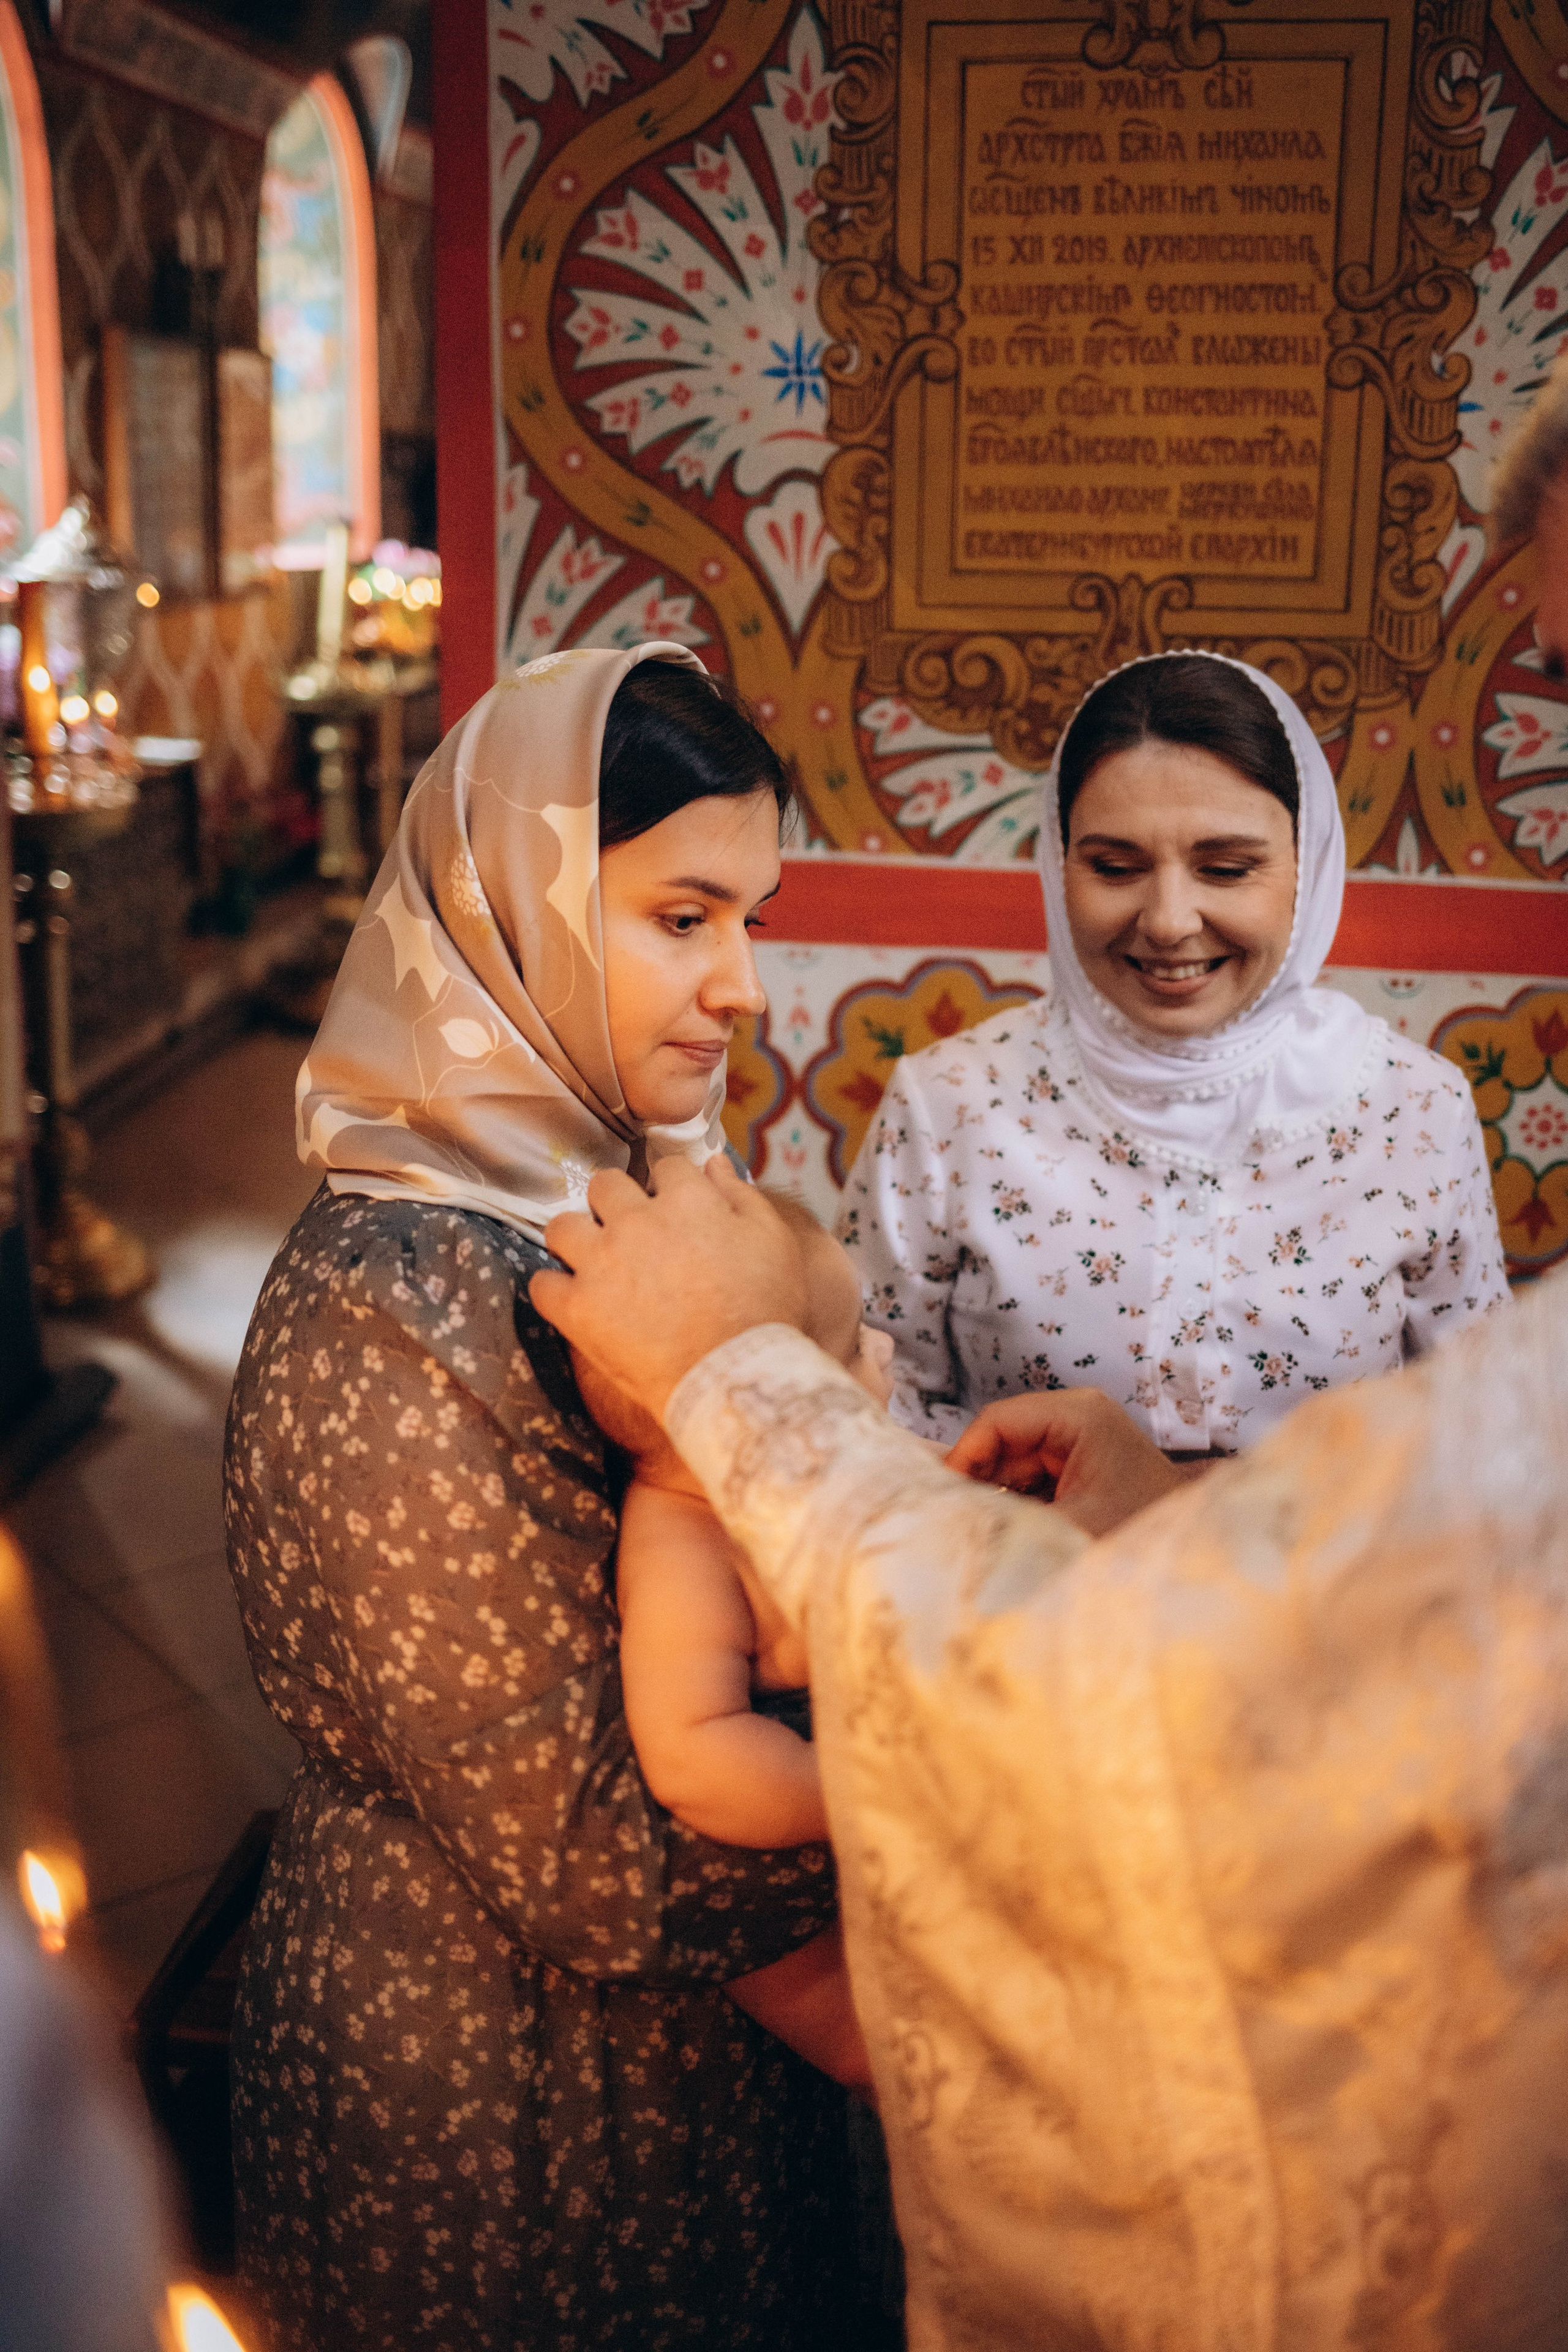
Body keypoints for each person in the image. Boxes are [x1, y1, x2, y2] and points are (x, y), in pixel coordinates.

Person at [531, 1152, 1567, 2352]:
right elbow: (700, 1748)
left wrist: (750, 1382)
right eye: (848, 1356)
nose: (880, 1373)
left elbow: (1100, 1683)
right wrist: (1164, 1507)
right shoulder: (678, 1532)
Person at [225, 644, 867, 2352]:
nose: (740, 986)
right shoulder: (394, 1301)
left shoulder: (632, 1201)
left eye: (755, 920)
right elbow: (589, 1860)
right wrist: (930, 1825)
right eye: (681, 918)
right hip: (505, 2100)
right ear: (519, 904)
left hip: (701, 2074)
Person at [839, 653, 1507, 1454]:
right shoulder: (948, 1104)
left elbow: (1480, 1425)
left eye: (1226, 869)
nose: (1168, 920)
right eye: (1114, 868)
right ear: (1059, 867)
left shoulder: (1416, 1108)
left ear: (1310, 866)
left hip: (1327, 1578)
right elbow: (862, 1399)